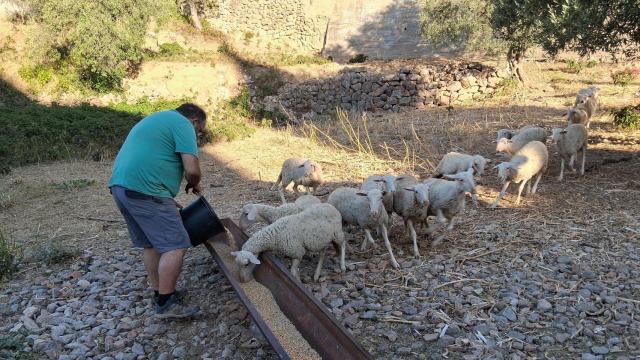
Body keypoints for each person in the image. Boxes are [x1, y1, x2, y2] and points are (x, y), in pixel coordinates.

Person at [108, 103, 206, 319]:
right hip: (144, 191)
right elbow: (191, 168)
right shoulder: (183, 124)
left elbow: (149, 160)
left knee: (151, 244)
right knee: (176, 244)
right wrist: (194, 182)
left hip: (121, 188)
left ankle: (160, 293)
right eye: (198, 132)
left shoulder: (156, 119)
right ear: (195, 121)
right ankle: (166, 304)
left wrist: (164, 198)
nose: (196, 136)